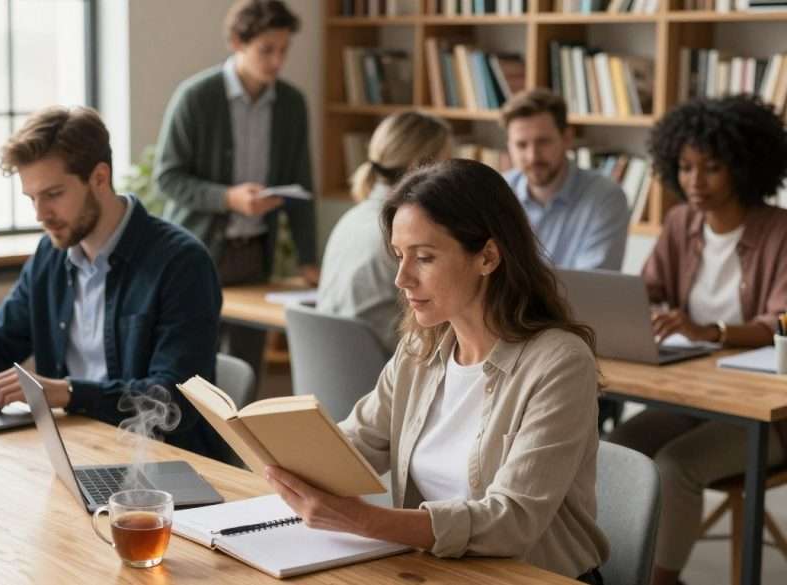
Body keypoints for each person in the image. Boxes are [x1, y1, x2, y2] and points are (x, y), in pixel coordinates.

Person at [265, 160, 609, 583]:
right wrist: (278, 447)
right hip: (441, 571)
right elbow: (358, 441)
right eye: (398, 256)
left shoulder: (559, 363)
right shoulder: (421, 348)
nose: (402, 279)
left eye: (424, 258)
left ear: (487, 256)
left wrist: (366, 520)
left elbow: (510, 521)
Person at [0, 106, 227, 461]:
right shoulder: (51, 254)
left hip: (166, 468)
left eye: (53, 195)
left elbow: (171, 399)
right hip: (74, 451)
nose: (40, 215)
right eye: (32, 198)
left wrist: (68, 393)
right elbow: (0, 334)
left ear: (100, 178)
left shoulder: (181, 262)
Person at [607, 95, 787, 585]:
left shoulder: (779, 231)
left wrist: (710, 332)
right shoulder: (680, 222)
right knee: (618, 449)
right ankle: (624, 569)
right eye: (685, 168)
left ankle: (661, 581)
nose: (695, 182)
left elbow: (782, 320)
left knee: (674, 465)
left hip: (764, 412)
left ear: (745, 165)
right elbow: (649, 290)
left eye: (711, 168)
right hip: (693, 394)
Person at [153, 0, 318, 385]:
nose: (277, 61)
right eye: (267, 50)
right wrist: (229, 198)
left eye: (283, 50)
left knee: (245, 369)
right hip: (197, 254)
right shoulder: (195, 97)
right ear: (236, 43)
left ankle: (230, 448)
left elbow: (302, 186)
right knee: (192, 370)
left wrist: (308, 259)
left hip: (254, 256)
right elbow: (168, 177)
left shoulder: (292, 104)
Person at [317, 111, 451, 353]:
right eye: (448, 163)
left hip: (339, 368)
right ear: (421, 167)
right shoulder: (408, 232)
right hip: (385, 370)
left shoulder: (350, 218)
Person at [502, 89, 630, 271]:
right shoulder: (496, 193)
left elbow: (593, 286)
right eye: (521, 145)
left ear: (567, 138)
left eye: (543, 142)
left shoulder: (606, 198)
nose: (532, 156)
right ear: (509, 146)